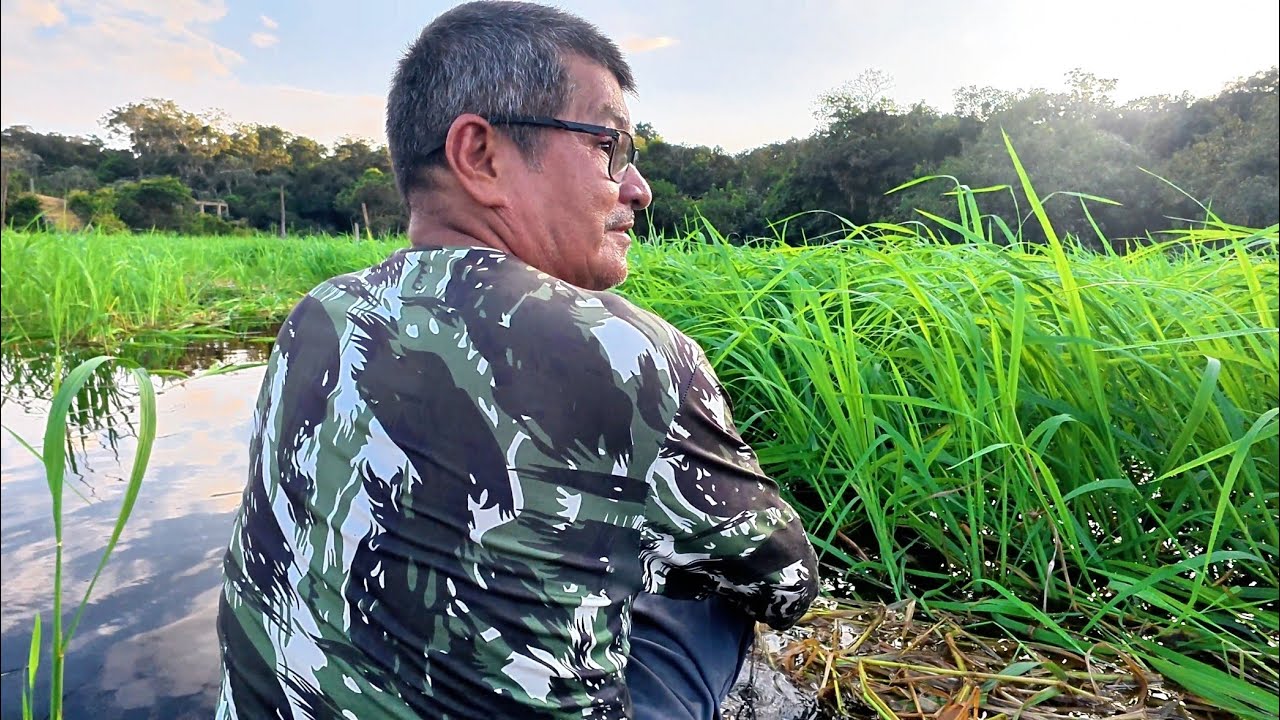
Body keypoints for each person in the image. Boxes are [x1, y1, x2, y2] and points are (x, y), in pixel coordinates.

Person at [214, 2, 820, 718]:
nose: (638, 189)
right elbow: (784, 585)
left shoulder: (317, 312)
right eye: (610, 147)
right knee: (706, 593)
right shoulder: (631, 351)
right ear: (480, 155)